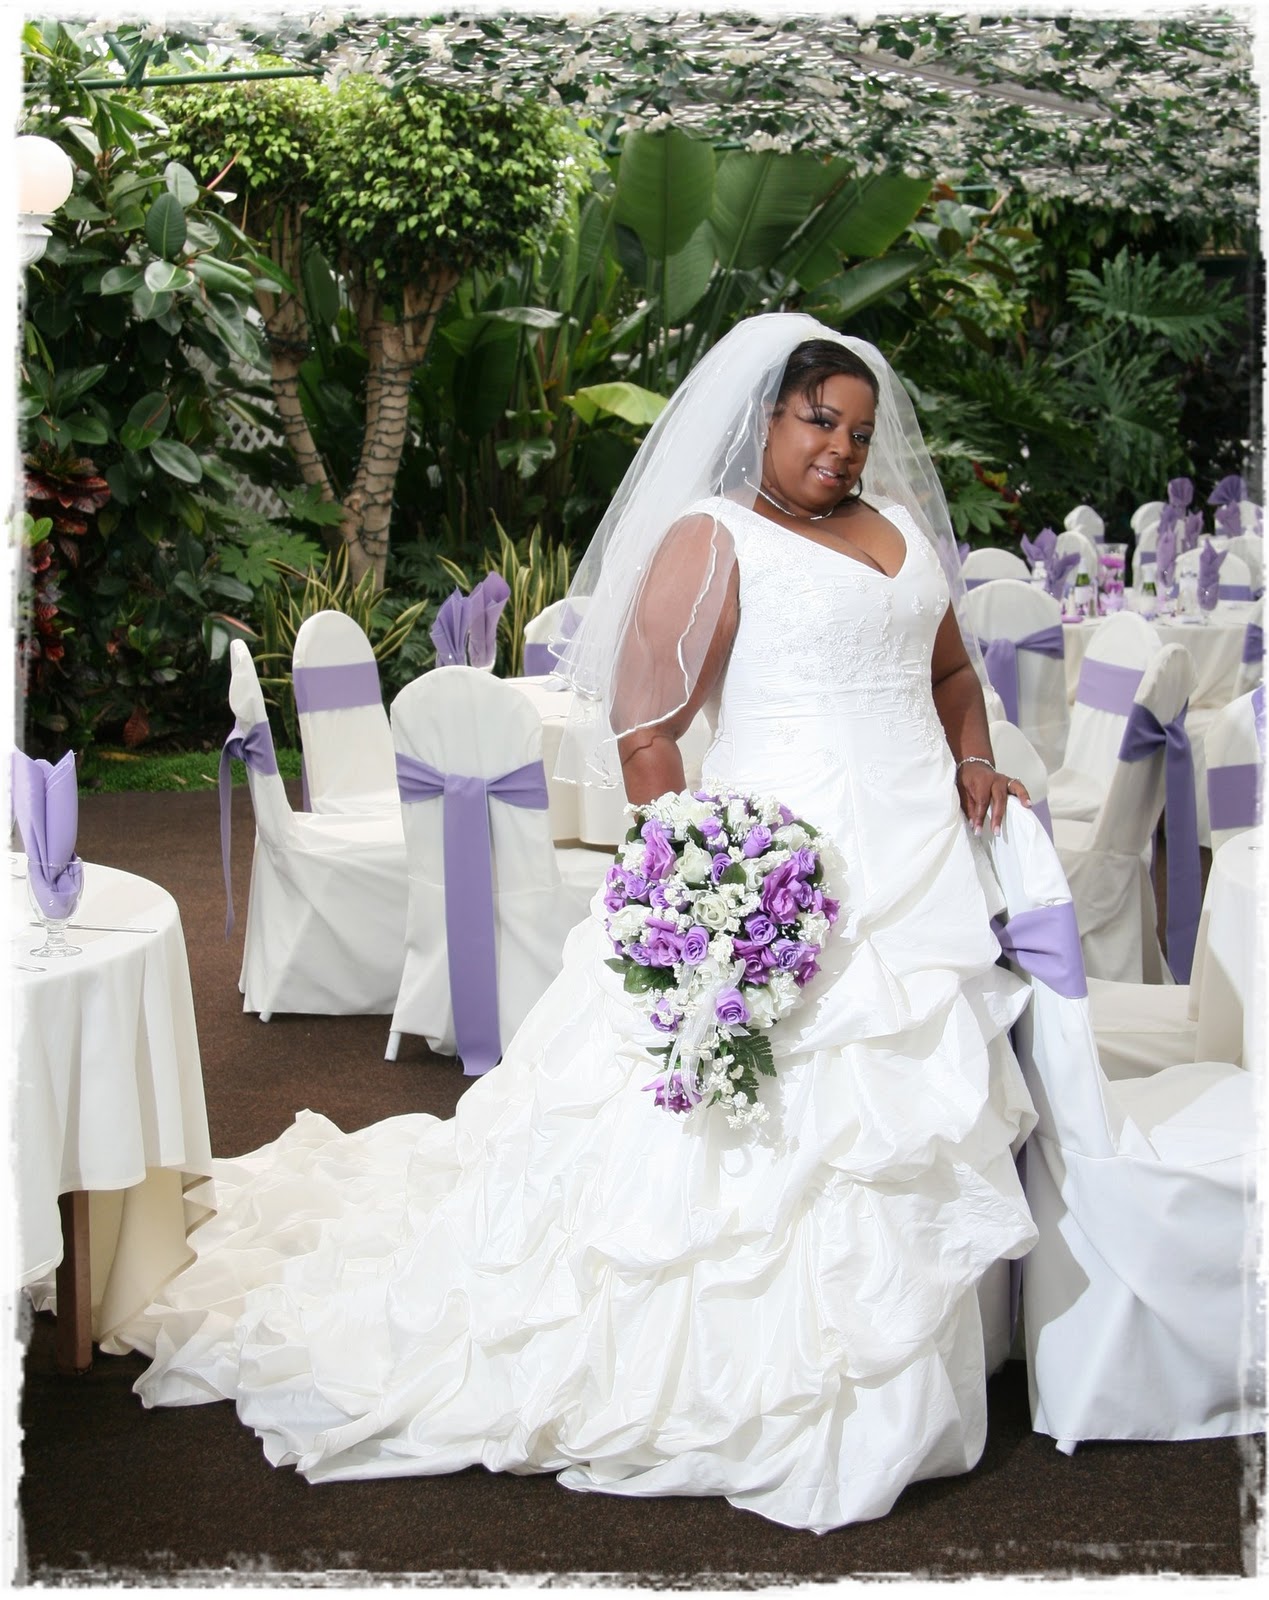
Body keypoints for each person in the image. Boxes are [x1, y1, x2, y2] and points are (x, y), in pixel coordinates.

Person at [119, 313, 1037, 1534]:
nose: (841, 450)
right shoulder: (715, 540)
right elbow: (645, 730)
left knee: (903, 1109)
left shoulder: (903, 533)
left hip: (916, 867)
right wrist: (707, 868)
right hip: (775, 866)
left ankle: (915, 1349)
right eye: (818, 421)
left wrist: (973, 757)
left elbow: (948, 676)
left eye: (858, 431)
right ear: (760, 417)